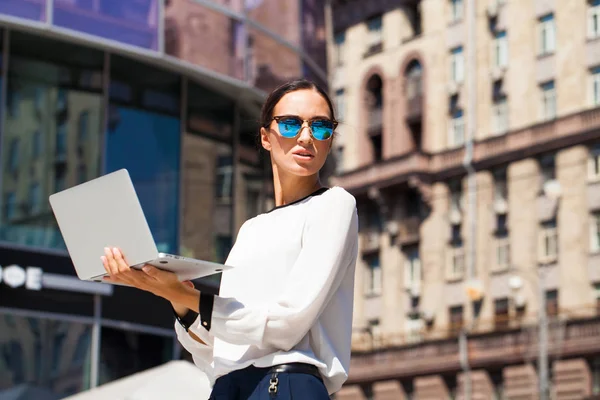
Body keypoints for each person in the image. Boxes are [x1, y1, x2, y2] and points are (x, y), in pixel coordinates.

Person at [100, 79, 359, 399]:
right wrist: (175, 297)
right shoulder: (251, 229)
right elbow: (216, 349)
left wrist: (193, 300)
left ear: (331, 140)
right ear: (266, 137)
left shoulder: (334, 205)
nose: (306, 137)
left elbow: (286, 326)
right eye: (291, 124)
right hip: (227, 386)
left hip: (285, 383)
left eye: (320, 127)